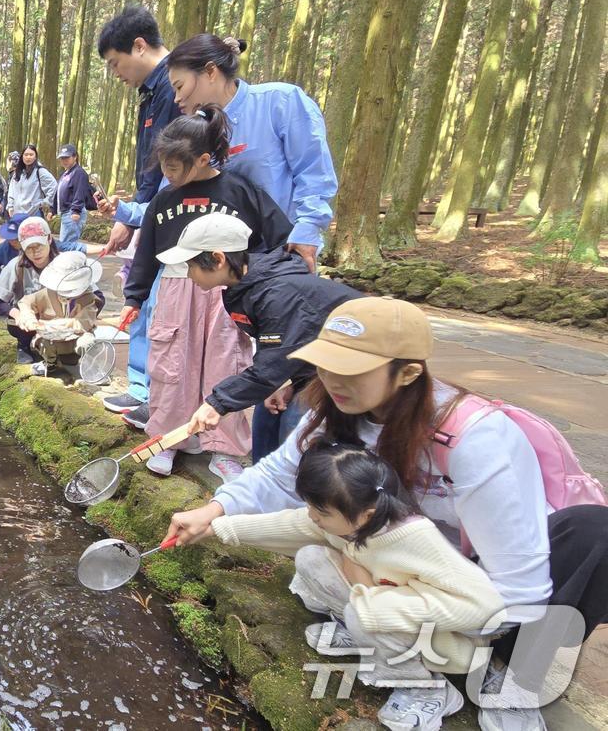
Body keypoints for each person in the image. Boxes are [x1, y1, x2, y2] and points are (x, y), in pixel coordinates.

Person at [167, 297, 608, 731]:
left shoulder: (475, 439)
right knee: (314, 566)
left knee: (584, 542)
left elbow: (517, 578)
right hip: (405, 559)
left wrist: (465, 636)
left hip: (478, 577)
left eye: (352, 370)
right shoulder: (336, 411)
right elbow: (280, 474)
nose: (333, 380)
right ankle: (403, 641)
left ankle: (508, 681)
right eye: (326, 363)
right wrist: (213, 511)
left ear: (409, 372)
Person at [206, 443, 503, 730]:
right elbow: (294, 524)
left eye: (320, 513)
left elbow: (486, 606)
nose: (312, 517)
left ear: (367, 515)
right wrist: (217, 529)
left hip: (447, 642)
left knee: (366, 615)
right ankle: (361, 631)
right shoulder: (352, 518)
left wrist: (373, 605)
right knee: (311, 559)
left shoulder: (416, 539)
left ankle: (425, 688)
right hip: (380, 605)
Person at [117, 107, 292, 479]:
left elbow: (277, 237)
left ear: (201, 159)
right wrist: (134, 297)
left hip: (228, 291)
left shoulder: (239, 189)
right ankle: (167, 439)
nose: (168, 174)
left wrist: (264, 279)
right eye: (163, 165)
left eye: (175, 167)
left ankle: (225, 448)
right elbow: (146, 249)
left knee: (226, 362)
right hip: (178, 285)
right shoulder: (164, 201)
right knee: (171, 364)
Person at [166, 213, 363, 461]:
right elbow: (287, 350)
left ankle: (297, 492)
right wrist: (287, 384)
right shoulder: (247, 288)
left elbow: (274, 364)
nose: (188, 275)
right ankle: (265, 489)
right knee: (266, 416)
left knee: (295, 427)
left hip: (355, 374)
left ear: (218, 259)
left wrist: (216, 403)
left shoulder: (279, 294)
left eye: (190, 266)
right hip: (315, 371)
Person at [165, 34, 336, 273]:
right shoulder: (194, 131)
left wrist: (307, 230)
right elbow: (170, 191)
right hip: (221, 266)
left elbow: (313, 172)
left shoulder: (279, 102)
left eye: (180, 86)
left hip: (282, 253)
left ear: (210, 72)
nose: (177, 98)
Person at [93, 5, 183, 422]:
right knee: (144, 300)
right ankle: (142, 388)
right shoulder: (151, 93)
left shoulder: (172, 88)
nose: (116, 74)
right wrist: (129, 220)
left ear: (139, 46)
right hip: (151, 215)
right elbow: (151, 167)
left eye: (115, 63)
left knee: (163, 308)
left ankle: (158, 398)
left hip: (173, 221)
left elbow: (173, 167)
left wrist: (136, 214)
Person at [14, 251, 105, 376]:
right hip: (52, 341)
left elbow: (81, 323)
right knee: (45, 344)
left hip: (76, 339)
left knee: (88, 343)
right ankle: (50, 364)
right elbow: (26, 302)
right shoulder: (47, 293)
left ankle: (89, 367)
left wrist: (45, 325)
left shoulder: (89, 299)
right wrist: (27, 317)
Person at [0, 217, 59, 364]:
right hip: (27, 321)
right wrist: (17, 315)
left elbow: (95, 297)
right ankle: (23, 346)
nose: (35, 253)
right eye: (29, 248)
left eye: (39, 246)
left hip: (57, 319)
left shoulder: (64, 263)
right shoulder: (16, 266)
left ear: (49, 239)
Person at [53, 144, 94, 252]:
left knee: (68, 245)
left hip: (73, 213)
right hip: (66, 213)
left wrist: (76, 210)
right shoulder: (65, 174)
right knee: (65, 244)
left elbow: (80, 192)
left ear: (75, 157)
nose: (64, 160)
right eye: (62, 158)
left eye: (67, 157)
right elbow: (58, 192)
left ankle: (72, 266)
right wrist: (53, 210)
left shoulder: (79, 172)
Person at [6, 144, 58, 219]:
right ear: (22, 156)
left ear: (35, 156)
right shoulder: (17, 173)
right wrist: (10, 206)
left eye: (31, 155)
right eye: (26, 155)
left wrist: (44, 203)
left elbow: (53, 187)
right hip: (17, 215)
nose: (28, 157)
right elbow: (12, 191)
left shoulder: (40, 171)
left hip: (34, 214)